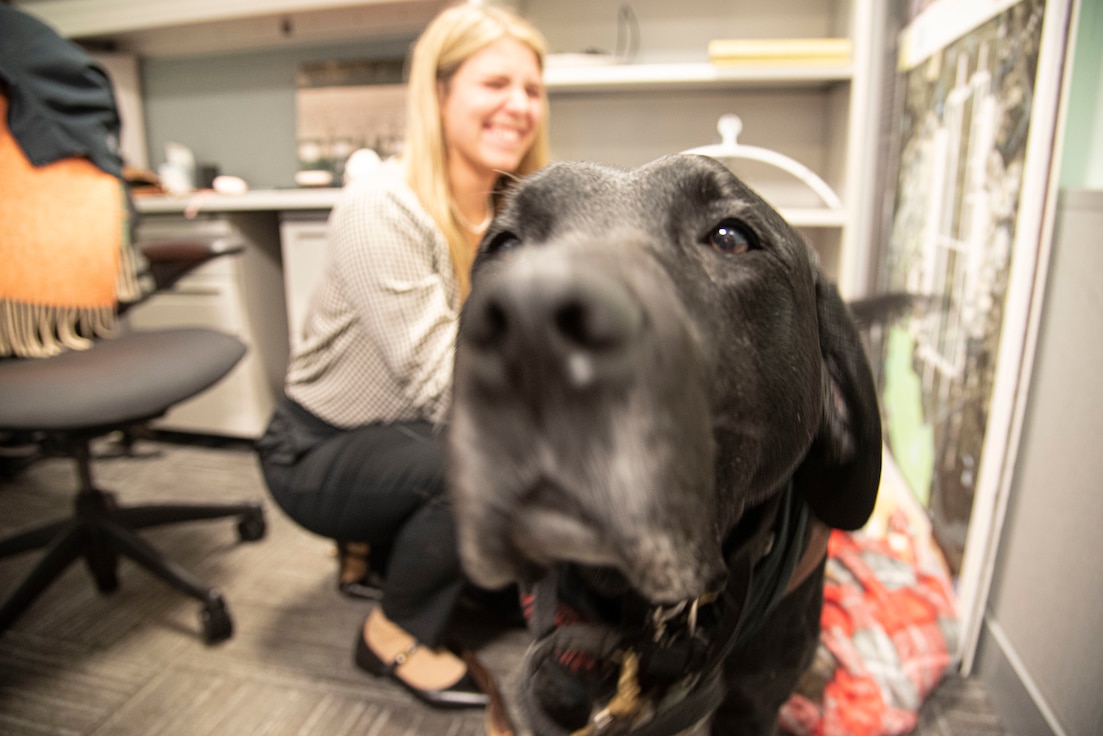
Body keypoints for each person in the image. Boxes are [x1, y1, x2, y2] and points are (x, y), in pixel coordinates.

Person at [255, 2, 550, 710]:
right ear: (440, 92)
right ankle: (392, 635)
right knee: (480, 462)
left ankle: (385, 552)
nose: (519, 106)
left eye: (533, 89)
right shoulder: (382, 208)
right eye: (495, 84)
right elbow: (443, 385)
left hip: (397, 433)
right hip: (315, 450)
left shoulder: (517, 210)